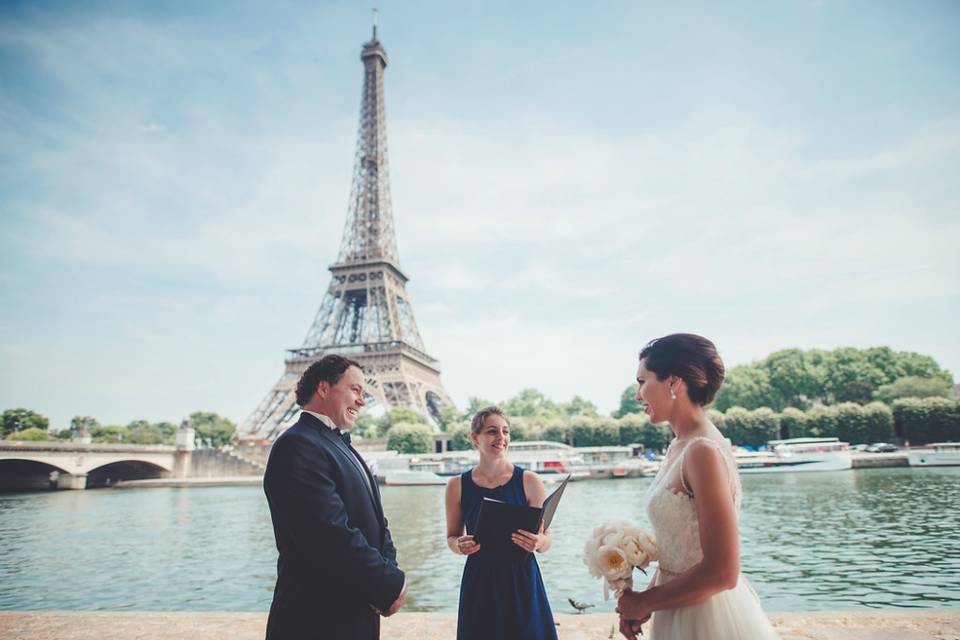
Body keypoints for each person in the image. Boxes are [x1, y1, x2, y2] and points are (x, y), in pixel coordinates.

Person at [616, 334, 780, 640]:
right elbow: (679, 554)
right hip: (678, 608)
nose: (638, 395)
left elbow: (722, 572)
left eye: (642, 381)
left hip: (706, 618)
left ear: (673, 383)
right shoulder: (680, 445)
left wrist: (644, 601)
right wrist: (647, 601)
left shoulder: (702, 451)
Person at [263, 355, 406, 640]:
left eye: (364, 393)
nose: (362, 401)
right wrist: (387, 582)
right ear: (324, 388)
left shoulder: (335, 443)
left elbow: (377, 519)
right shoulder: (298, 444)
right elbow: (327, 533)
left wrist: (390, 569)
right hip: (317, 619)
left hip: (354, 609)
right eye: (355, 390)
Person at [444, 406, 558, 640]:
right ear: (475, 438)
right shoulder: (456, 486)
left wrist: (538, 542)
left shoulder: (530, 481)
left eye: (505, 431)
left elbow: (547, 540)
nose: (501, 438)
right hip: (480, 581)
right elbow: (452, 537)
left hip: (522, 580)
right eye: (492, 431)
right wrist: (459, 546)